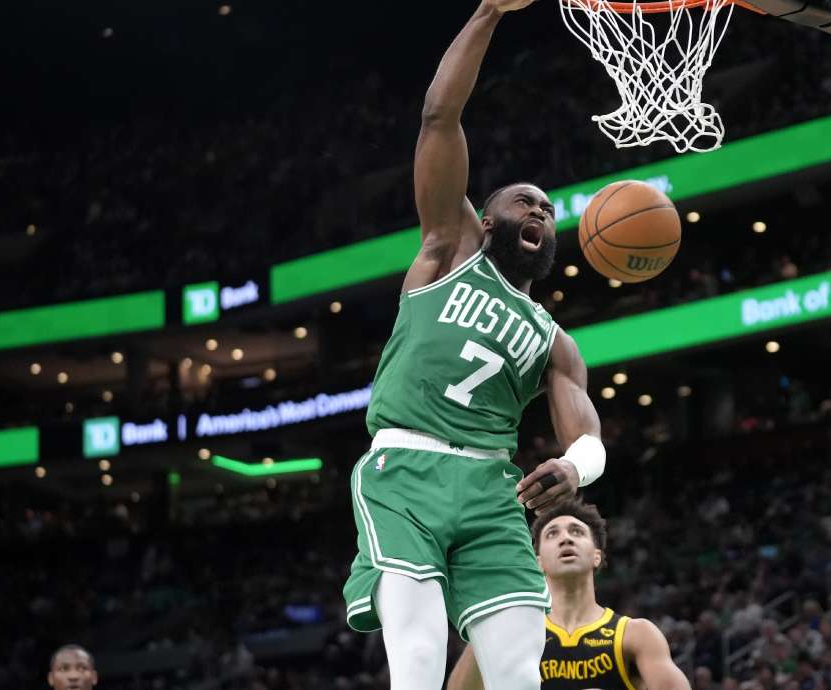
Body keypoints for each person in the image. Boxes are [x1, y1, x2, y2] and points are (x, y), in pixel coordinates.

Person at [340, 2, 606, 690]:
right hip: (407, 469)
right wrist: (489, 11)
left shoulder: (556, 341)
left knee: (521, 674)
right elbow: (438, 118)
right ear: (487, 219)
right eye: (526, 202)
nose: (540, 213)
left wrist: (577, 471)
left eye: (548, 210)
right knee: (422, 661)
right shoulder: (449, 249)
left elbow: (586, 435)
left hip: (493, 488)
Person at [447, 499, 690, 690]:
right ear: (538, 561)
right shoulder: (514, 634)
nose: (565, 539)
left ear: (597, 555)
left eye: (577, 532)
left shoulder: (636, 633)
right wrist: (489, 622)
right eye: (552, 534)